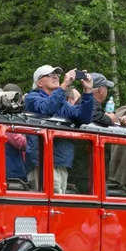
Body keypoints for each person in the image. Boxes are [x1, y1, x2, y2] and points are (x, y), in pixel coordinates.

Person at [24, 65, 94, 193]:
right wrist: (64, 85)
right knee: (49, 206)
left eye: (57, 74)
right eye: (50, 75)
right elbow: (47, 109)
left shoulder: (62, 102)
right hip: (43, 162)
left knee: (59, 204)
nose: (55, 76)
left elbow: (84, 118)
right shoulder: (32, 98)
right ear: (39, 82)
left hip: (61, 161)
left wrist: (88, 92)